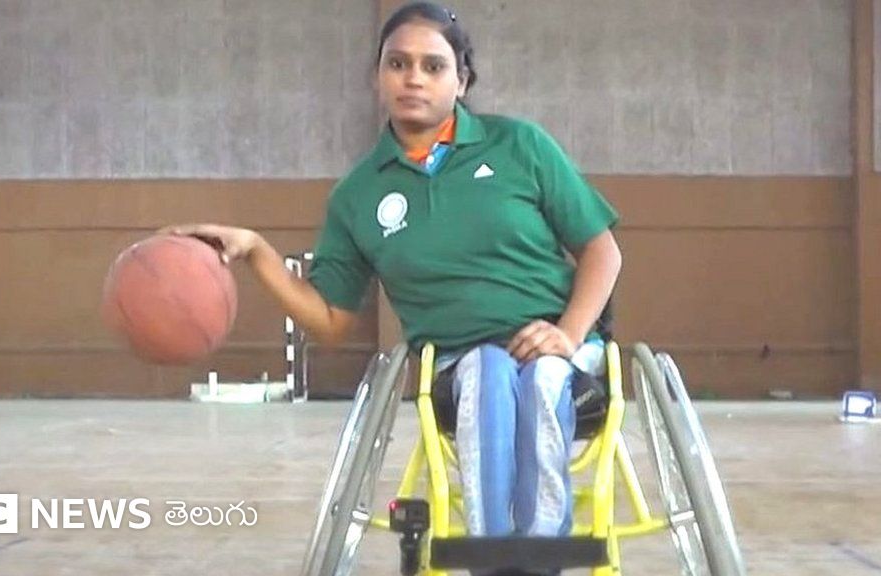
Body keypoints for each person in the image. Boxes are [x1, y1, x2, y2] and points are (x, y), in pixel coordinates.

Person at [161, 2, 621, 572]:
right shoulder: (358, 194)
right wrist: (257, 251)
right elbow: (331, 319)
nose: (414, 78)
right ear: (377, 77)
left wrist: (568, 334)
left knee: (543, 375)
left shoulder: (520, 145)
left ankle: (541, 556)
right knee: (486, 370)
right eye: (398, 64)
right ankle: (493, 556)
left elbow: (602, 250)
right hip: (458, 364)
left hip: (563, 351)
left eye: (433, 66)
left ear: (462, 80)